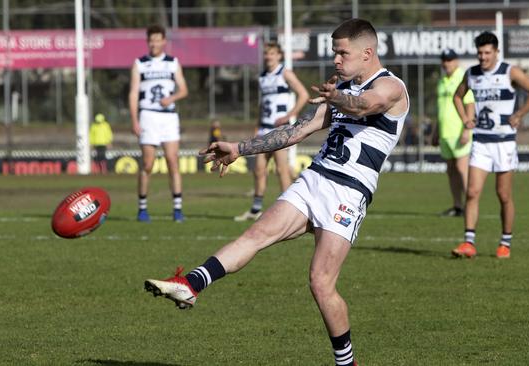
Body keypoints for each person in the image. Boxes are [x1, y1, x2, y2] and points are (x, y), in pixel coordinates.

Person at [145, 19, 408, 366]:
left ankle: (347, 363)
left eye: (343, 53)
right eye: (334, 53)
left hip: (348, 192)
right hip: (314, 178)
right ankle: (191, 283)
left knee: (320, 282)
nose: (336, 61)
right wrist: (240, 148)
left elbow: (364, 105)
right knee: (256, 234)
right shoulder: (342, 87)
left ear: (367, 53)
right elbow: (301, 129)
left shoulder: (391, 87)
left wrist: (340, 96)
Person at [451, 31, 529, 259]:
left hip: (504, 143)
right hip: (481, 142)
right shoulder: (472, 74)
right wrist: (465, 119)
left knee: (503, 195)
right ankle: (469, 243)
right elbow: (457, 96)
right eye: (480, 53)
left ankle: (505, 243)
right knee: (472, 192)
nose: (483, 57)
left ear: (496, 52)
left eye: (487, 53)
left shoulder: (510, 72)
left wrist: (520, 113)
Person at [234, 42, 310, 222]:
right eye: (266, 54)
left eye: (272, 53)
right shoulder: (262, 77)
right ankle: (255, 210)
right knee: (259, 169)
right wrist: (257, 125)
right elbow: (263, 105)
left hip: (280, 130)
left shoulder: (285, 73)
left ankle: (288, 212)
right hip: (264, 128)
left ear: (279, 56)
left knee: (282, 170)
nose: (269, 57)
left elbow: (304, 94)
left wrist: (290, 116)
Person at [129, 24, 189, 223]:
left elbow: (183, 90)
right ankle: (142, 208)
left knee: (173, 162)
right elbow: (133, 93)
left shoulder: (173, 62)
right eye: (151, 40)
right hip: (148, 116)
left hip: (168, 117)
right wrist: (134, 119)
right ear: (148, 42)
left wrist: (170, 99)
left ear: (164, 41)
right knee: (147, 164)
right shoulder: (140, 63)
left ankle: (178, 209)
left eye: (158, 40)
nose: (154, 43)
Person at [432, 48, 475, 217]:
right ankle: (458, 206)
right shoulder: (442, 80)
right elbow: (440, 109)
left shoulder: (462, 77)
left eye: (449, 60)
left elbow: (470, 104)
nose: (446, 63)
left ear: (456, 60)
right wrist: (436, 131)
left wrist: (467, 129)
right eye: (444, 60)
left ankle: (471, 205)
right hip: (445, 133)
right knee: (451, 171)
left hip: (459, 132)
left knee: (462, 169)